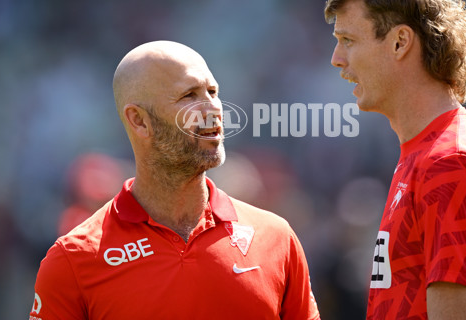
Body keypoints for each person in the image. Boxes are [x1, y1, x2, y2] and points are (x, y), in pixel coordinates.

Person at [28, 41, 320, 320]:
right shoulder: (73, 260)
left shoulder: (277, 238)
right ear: (140, 121)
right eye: (189, 96)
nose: (213, 109)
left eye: (213, 92)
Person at [324, 0, 466, 319]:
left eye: (348, 41)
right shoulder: (428, 153)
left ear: (400, 42)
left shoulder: (454, 161)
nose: (337, 59)